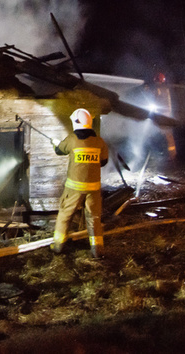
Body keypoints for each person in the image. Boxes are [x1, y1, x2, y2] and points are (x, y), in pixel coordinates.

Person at [50, 108, 110, 258]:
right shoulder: (99, 142)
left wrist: (55, 143)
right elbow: (103, 162)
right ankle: (97, 250)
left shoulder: (72, 139)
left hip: (73, 189)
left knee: (65, 215)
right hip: (94, 189)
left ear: (76, 123)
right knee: (94, 218)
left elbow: (60, 151)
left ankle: (58, 246)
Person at [145, 72, 177, 161]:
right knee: (166, 135)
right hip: (166, 114)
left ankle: (171, 156)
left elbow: (154, 95)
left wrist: (147, 90)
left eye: (155, 81)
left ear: (157, 80)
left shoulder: (159, 88)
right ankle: (169, 154)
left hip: (162, 115)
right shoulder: (165, 88)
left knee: (166, 135)